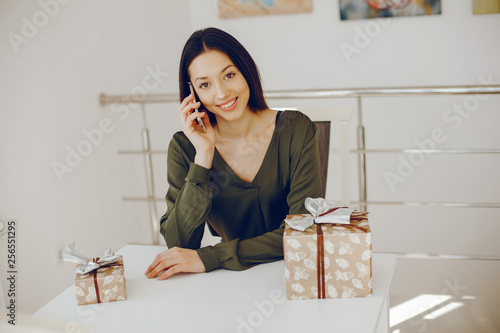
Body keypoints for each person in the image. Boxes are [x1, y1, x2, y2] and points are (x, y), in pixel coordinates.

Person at [145, 27, 322, 280]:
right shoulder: (185, 147)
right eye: (204, 84)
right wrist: (204, 155)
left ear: (246, 71)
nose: (221, 93)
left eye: (229, 75)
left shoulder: (295, 129)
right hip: (227, 283)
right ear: (192, 93)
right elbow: (180, 243)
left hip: (295, 275)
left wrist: (214, 256)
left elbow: (303, 230)